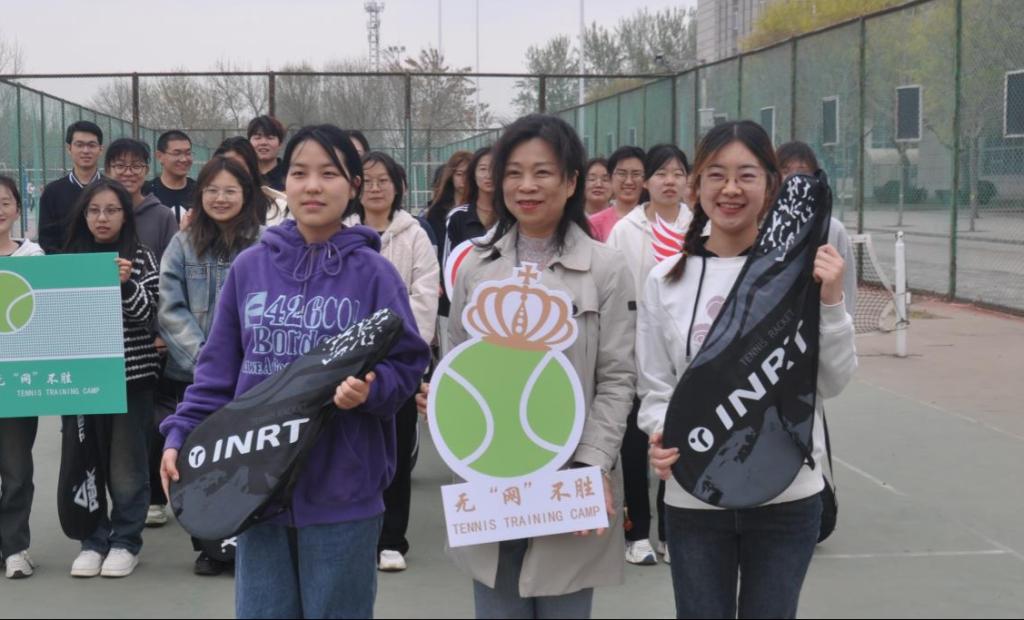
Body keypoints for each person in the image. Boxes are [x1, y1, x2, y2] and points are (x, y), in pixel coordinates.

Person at [160, 124, 430, 618]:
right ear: (285, 184)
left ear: (352, 186)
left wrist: (372, 390)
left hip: (344, 491)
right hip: (255, 489)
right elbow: (217, 374)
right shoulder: (250, 268)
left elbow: (408, 362)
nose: (312, 186)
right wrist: (180, 434)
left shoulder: (375, 273)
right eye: (300, 173)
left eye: (329, 174)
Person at [638, 121, 857, 619]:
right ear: (696, 186)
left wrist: (830, 301)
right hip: (694, 497)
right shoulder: (664, 280)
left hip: (788, 497)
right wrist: (660, 432)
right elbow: (654, 388)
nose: (731, 189)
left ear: (771, 186)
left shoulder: (801, 275)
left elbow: (833, 381)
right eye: (716, 175)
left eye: (746, 175)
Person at [444, 114, 636, 619]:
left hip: (567, 483)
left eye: (543, 172)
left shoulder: (606, 268)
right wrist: (451, 419)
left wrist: (592, 465)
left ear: (571, 182)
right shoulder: (475, 267)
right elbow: (456, 363)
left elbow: (617, 378)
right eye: (514, 173)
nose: (526, 186)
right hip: (492, 478)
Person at [157, 156, 264, 575]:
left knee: (246, 462)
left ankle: (244, 543)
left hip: (252, 377)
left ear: (246, 196)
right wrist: (208, 360)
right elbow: (170, 309)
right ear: (199, 195)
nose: (220, 198)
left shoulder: (263, 244)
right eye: (212, 190)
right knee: (199, 461)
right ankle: (207, 546)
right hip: (195, 376)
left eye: (230, 190)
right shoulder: (182, 244)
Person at [342, 151, 439, 572]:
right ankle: (354, 533)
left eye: (384, 180)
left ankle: (392, 539)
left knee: (395, 452)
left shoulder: (415, 235)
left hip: (397, 364)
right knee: (349, 450)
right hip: (348, 362)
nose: (376, 188)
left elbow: (424, 298)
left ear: (398, 186)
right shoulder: (343, 232)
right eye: (368, 180)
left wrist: (396, 349)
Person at [62, 179, 161, 578]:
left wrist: (126, 284)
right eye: (94, 210)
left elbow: (149, 314)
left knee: (127, 465)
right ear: (83, 215)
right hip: (81, 380)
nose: (102, 218)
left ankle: (126, 541)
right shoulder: (67, 259)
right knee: (84, 462)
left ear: (125, 215)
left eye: (112, 210)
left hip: (130, 379)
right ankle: (92, 539)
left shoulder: (141, 256)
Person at [606, 143, 693, 566]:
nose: (669, 181)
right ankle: (636, 533)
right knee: (635, 444)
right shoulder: (625, 231)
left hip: (687, 356)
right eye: (661, 173)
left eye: (678, 173)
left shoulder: (700, 228)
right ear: (647, 182)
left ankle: (671, 533)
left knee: (676, 443)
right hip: (635, 352)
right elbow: (613, 292)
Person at [0, 176, 44, 579]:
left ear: (17, 208)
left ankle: (15, 548)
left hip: (17, 384)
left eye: (4, 201)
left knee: (16, 470)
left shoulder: (33, 256)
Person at [776, 141, 857, 314]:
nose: (794, 178)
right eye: (785, 171)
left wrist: (844, 323)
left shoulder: (833, 229)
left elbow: (847, 285)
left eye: (802, 171)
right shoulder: (764, 228)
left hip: (821, 321)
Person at [104, 139, 177, 264]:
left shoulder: (163, 216)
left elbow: (173, 267)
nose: (128, 173)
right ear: (107, 170)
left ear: (146, 170)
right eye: (120, 166)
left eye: (136, 166)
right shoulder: (97, 213)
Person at [38, 121, 104, 253]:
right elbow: (47, 240)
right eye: (79, 145)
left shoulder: (113, 190)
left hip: (105, 262)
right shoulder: (52, 192)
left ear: (100, 150)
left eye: (91, 145)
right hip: (64, 264)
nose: (86, 150)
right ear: (69, 149)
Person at [214, 137, 283, 225]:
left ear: (252, 170)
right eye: (227, 167)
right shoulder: (206, 206)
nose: (232, 174)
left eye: (239, 168)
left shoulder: (278, 210)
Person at [588, 146, 645, 242]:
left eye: (636, 174)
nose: (629, 181)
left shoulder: (654, 220)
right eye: (622, 174)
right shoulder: (594, 224)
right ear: (610, 177)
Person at [144, 130, 196, 224]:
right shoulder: (146, 192)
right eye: (177, 153)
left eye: (188, 153)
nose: (184, 159)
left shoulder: (200, 191)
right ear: (159, 156)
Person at [424, 150, 472, 248]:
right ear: (451, 176)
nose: (464, 179)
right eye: (459, 174)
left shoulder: (481, 209)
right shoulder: (437, 211)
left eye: (468, 174)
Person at [248, 115, 287, 191]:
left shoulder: (289, 175)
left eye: (270, 138)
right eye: (257, 138)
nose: (263, 142)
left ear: (280, 144)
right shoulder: (242, 175)